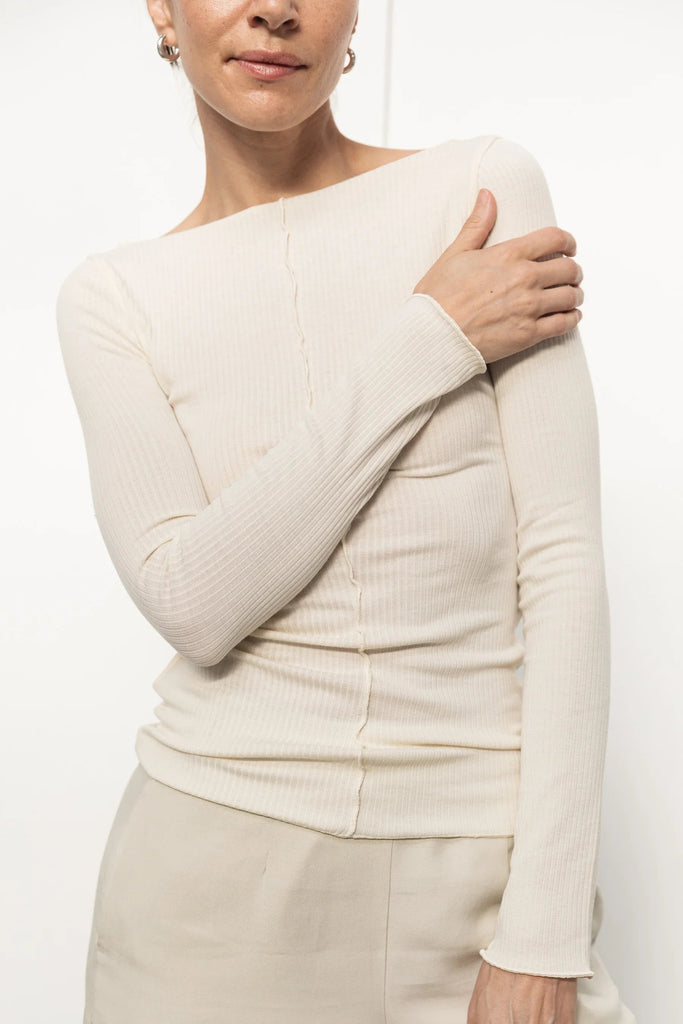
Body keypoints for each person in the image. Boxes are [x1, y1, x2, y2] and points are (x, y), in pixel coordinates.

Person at [55, 2, 638, 1022]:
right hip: (210, 900)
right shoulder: (114, 298)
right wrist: (431, 334)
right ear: (161, 7)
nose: (274, 9)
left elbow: (560, 560)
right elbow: (192, 602)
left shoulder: (477, 193)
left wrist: (543, 932)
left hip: (480, 881)